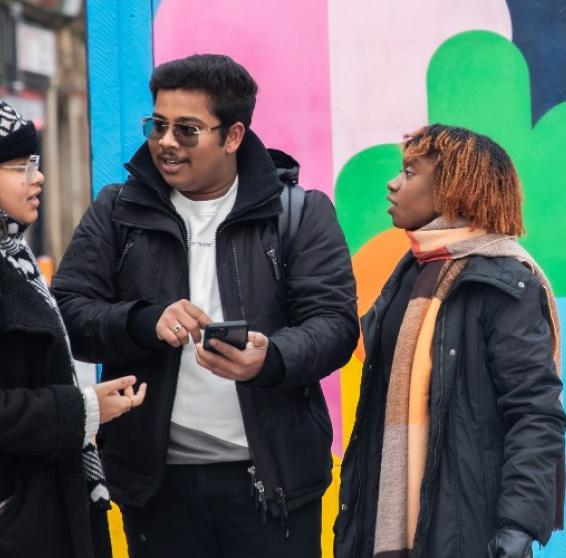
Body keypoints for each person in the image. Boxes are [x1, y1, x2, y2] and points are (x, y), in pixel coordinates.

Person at [51, 55, 358, 557]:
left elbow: (335, 325)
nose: (166, 142)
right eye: (158, 125)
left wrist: (271, 356)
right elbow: (68, 311)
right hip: (154, 487)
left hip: (273, 488)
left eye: (187, 130)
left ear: (232, 136)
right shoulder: (117, 210)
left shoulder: (299, 212)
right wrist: (144, 321)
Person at [334, 124, 566, 558]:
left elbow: (535, 411)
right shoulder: (411, 272)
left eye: (409, 172)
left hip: (467, 527)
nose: (393, 183)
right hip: (387, 519)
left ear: (453, 189)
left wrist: (518, 523)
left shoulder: (504, 283)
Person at [0, 100, 148, 558]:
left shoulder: (14, 258)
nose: (37, 177)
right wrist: (82, 411)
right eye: (21, 166)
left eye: (36, 164)